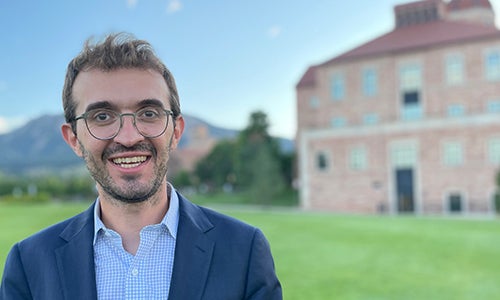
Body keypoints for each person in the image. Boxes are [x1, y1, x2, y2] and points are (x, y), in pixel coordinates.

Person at [0, 33, 282, 300]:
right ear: (73, 139)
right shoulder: (29, 264)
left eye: (148, 113)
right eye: (102, 116)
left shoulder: (244, 251)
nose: (129, 136)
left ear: (176, 130)